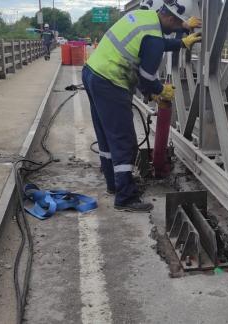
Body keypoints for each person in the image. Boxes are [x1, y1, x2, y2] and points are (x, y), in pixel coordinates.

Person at [82, 0, 202, 212]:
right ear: (171, 18)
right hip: (110, 81)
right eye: (178, 25)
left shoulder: (146, 17)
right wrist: (159, 90)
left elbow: (154, 43)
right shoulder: (155, 36)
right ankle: (125, 198)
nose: (178, 30)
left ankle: (114, 185)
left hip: (93, 72)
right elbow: (147, 76)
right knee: (124, 140)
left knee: (106, 135)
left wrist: (181, 43)